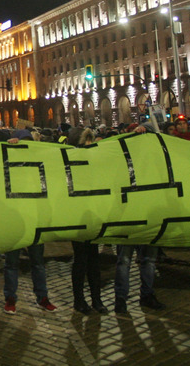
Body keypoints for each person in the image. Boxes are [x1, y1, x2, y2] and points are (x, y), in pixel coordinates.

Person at [1, 128, 58, 314]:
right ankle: (10, 298)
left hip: (34, 221)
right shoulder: (6, 160)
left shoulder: (38, 159)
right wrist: (8, 148)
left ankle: (42, 297)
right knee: (11, 264)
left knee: (38, 263)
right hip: (14, 221)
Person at [70, 127, 107, 314]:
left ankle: (96, 299)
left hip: (94, 214)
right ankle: (79, 300)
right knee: (81, 260)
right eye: (86, 144)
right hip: (78, 215)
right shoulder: (69, 162)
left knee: (94, 260)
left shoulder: (97, 163)